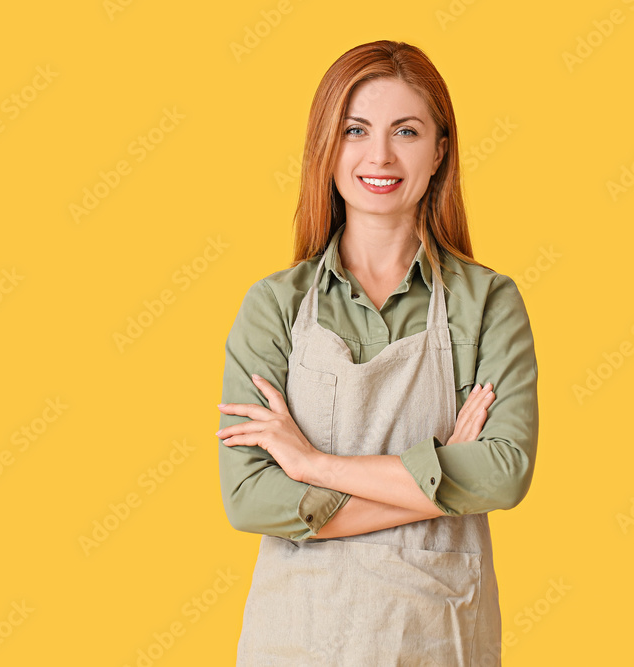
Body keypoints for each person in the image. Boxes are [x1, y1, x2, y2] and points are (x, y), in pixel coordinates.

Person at [216, 39, 538, 665]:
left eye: (407, 131)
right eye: (356, 129)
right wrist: (442, 473)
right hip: (298, 640)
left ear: (440, 150)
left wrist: (313, 467)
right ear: (327, 148)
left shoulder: (488, 303)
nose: (380, 155)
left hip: (438, 641)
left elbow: (503, 474)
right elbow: (249, 498)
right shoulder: (274, 307)